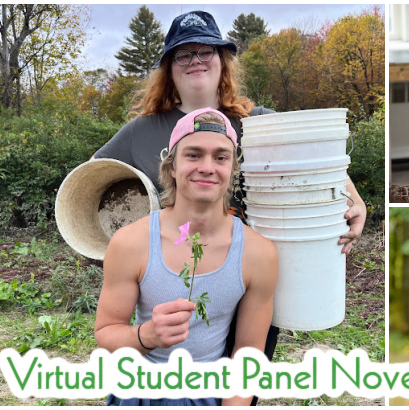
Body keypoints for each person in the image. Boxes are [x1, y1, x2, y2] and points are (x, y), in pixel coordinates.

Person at [93, 10, 366, 253]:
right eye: (183, 54)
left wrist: (356, 202)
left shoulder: (257, 122)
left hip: (255, 272)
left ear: (222, 62)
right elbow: (88, 183)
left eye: (206, 51)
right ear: (169, 69)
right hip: (175, 277)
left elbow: (320, 159)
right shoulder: (142, 130)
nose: (195, 60)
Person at [94, 108, 278, 405]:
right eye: (193, 155)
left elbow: (248, 353)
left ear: (232, 169)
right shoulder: (130, 243)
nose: (207, 167)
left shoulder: (258, 254)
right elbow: (106, 334)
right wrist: (147, 336)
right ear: (171, 167)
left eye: (221, 157)